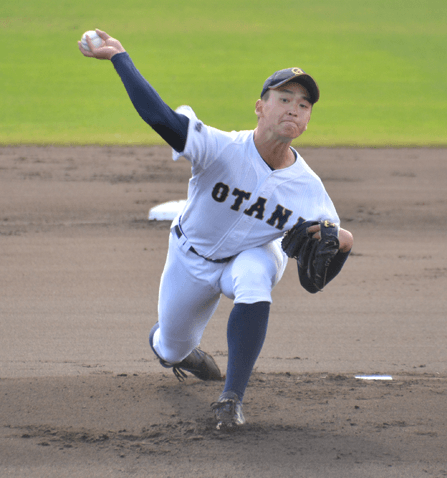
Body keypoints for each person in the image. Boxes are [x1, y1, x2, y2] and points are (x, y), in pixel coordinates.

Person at [79, 29, 353, 429]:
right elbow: (160, 118)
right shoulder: (221, 148)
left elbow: (316, 278)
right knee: (170, 347)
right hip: (190, 258)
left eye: (304, 104)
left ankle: (231, 399)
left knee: (256, 273)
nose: (294, 108)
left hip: (251, 256)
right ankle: (182, 353)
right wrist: (120, 57)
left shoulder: (310, 190)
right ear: (260, 107)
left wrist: (344, 245)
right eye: (284, 99)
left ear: (308, 120)